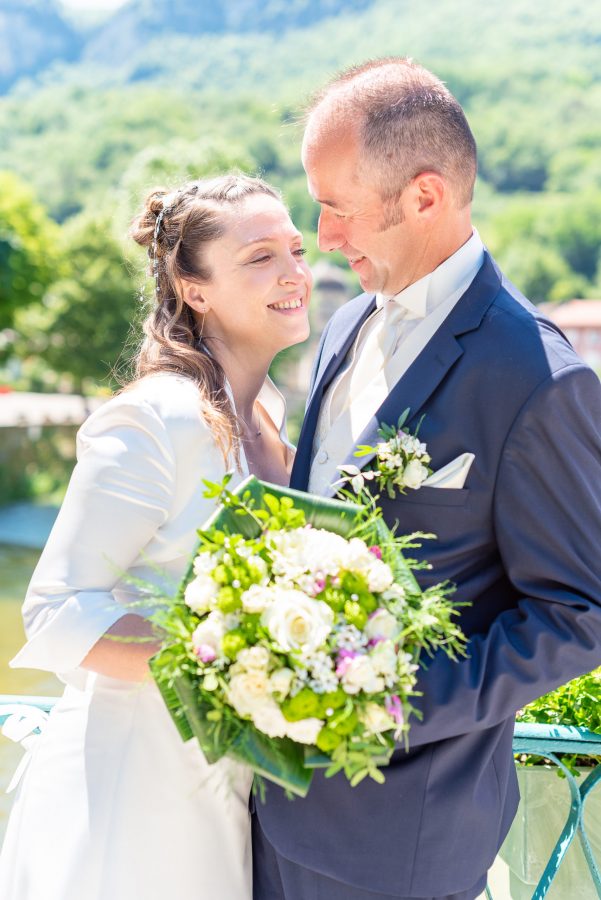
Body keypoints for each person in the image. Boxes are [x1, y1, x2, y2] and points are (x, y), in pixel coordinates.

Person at [252, 57, 601, 900]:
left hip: (399, 845)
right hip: (270, 816)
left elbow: (575, 616)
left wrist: (381, 708)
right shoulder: (340, 330)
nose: (323, 237)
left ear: (425, 196)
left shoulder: (536, 379)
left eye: (336, 207)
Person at [0, 174, 312, 900]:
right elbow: (55, 609)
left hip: (233, 789)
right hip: (129, 790)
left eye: (295, 249)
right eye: (260, 256)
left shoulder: (274, 420)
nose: (293, 272)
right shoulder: (155, 419)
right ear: (193, 288)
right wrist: (229, 671)